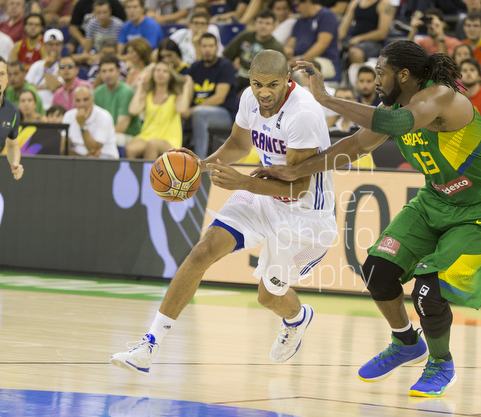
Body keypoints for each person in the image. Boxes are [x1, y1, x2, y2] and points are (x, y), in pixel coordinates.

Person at [254, 41, 481, 397]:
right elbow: (354, 147)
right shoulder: (392, 105)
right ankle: (407, 342)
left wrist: (328, 99)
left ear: (405, 75)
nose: (376, 79)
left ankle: (442, 364)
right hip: (436, 198)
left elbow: (398, 122)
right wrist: (295, 171)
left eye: (381, 73)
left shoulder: (441, 98)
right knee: (378, 271)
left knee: (428, 290)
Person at [111, 50, 338, 375]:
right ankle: (149, 345)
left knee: (269, 295)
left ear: (287, 79)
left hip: (305, 217)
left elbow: (298, 187)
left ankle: (297, 318)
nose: (264, 92)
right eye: (257, 84)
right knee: (203, 251)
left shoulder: (303, 114)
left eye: (273, 84)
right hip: (263, 197)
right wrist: (200, 166)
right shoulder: (249, 99)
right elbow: (238, 144)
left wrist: (243, 182)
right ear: (249, 81)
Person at [183, 33, 237, 159]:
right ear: (199, 48)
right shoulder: (195, 67)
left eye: (211, 46)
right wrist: (184, 109)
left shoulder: (225, 66)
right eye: (204, 46)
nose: (208, 49)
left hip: (224, 114)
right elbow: (189, 93)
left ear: (217, 48)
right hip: (197, 110)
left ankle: (200, 161)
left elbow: (220, 97)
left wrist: (191, 110)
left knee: (199, 113)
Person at [126, 61, 191, 159]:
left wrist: (186, 88)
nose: (160, 73)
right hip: (147, 135)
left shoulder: (175, 96)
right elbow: (133, 110)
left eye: (165, 71)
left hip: (169, 139)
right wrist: (139, 88)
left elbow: (182, 110)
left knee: (152, 144)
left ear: (170, 76)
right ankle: (132, 174)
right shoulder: (147, 95)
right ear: (153, 74)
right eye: (157, 70)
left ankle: (149, 174)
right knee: (130, 149)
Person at [223, 9, 283, 91]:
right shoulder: (245, 36)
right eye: (260, 22)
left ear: (274, 26)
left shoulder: (277, 47)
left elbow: (278, 76)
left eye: (267, 23)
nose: (263, 26)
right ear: (255, 23)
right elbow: (226, 56)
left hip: (261, 83)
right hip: (239, 76)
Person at [286, 0, 341, 82]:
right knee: (279, 70)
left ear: (308, 2)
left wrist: (302, 59)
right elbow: (291, 43)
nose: (297, 9)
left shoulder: (327, 16)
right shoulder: (300, 21)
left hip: (324, 60)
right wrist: (288, 50)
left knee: (302, 74)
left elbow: (322, 44)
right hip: (300, 59)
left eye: (298, 5)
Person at [94, 54, 141, 148]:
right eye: (104, 71)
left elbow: (121, 128)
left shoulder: (126, 92)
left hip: (129, 136)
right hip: (107, 134)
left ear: (118, 71)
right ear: (99, 74)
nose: (108, 74)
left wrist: (99, 135)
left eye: (111, 70)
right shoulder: (97, 92)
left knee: (114, 139)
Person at [60, 85, 118, 158]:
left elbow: (93, 148)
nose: (82, 104)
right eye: (78, 100)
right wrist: (84, 158)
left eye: (85, 99)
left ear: (92, 99)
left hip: (105, 160)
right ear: (74, 101)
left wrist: (82, 124)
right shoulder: (68, 116)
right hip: (78, 160)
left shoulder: (104, 116)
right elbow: (64, 149)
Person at [338, 0, 395, 65]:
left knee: (355, 52)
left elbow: (382, 33)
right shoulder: (355, 3)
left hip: (374, 42)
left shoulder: (384, 4)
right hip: (353, 39)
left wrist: (359, 38)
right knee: (331, 46)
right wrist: (336, 41)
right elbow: (343, 28)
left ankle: (362, 73)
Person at [25, 28, 64, 109]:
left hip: (53, 109)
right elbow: (26, 88)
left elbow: (53, 87)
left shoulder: (65, 65)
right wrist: (44, 86)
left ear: (62, 46)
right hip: (34, 108)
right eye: (50, 44)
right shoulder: (37, 65)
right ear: (45, 46)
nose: (54, 48)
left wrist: (47, 67)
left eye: (57, 44)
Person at [0, 57, 23, 179]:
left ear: (7, 79)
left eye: (2, 74)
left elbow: (12, 144)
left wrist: (15, 163)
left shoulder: (12, 112)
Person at [460, 57, 481, 122]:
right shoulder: (457, 97)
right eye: (464, 70)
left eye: (472, 70)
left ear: (479, 76)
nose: (468, 73)